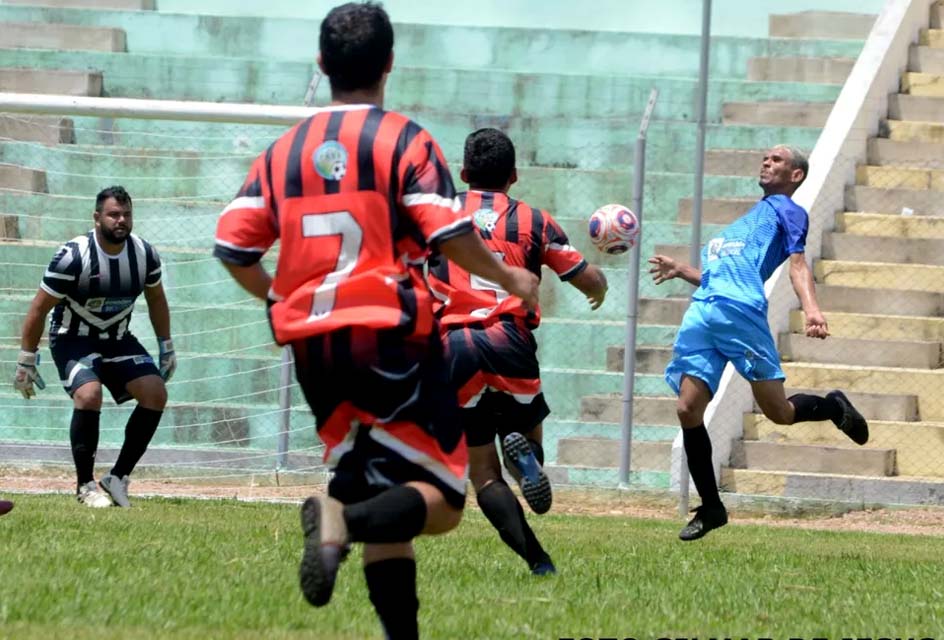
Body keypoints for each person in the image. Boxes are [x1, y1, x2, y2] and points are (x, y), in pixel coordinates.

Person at [213, 4, 539, 638]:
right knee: (442, 501)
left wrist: (282, 301)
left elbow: (233, 248)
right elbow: (446, 231)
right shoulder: (404, 139)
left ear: (320, 64)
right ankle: (338, 521)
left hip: (313, 347)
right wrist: (510, 277)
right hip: (391, 335)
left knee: (381, 488)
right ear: (390, 63)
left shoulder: (285, 149)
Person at [648, 145, 869, 542]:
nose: (767, 162)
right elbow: (723, 276)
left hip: (740, 316)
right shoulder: (743, 223)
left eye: (778, 160)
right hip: (704, 313)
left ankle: (832, 406)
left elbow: (798, 265)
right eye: (766, 158)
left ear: (796, 175)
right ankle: (712, 507)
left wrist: (812, 309)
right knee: (687, 408)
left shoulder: (787, 211)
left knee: (779, 413)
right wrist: (683, 270)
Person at [426, 128, 607, 575]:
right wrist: (599, 287)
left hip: (453, 345)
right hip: (509, 339)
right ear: (514, 176)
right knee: (527, 437)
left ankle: (538, 561)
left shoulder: (435, 218)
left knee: (484, 472)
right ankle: (526, 456)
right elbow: (585, 277)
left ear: (464, 172)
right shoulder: (534, 220)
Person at [14, 185, 175, 509]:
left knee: (155, 392)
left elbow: (157, 300)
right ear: (97, 217)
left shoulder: (144, 254)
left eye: (127, 214)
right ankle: (85, 485)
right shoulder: (73, 256)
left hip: (117, 339)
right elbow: (38, 309)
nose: (121, 220)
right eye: (114, 214)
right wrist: (26, 360)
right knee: (89, 394)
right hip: (72, 338)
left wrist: (166, 345)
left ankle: (117, 478)